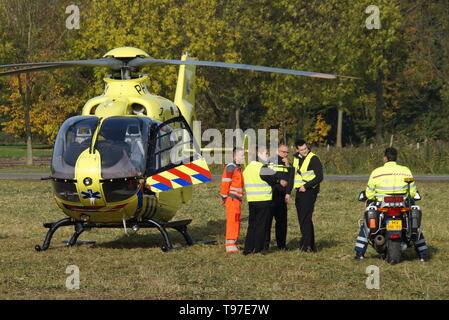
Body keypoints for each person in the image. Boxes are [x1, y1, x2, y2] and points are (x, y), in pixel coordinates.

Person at [354, 147, 429, 262]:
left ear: (385, 158)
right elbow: (412, 192)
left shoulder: (376, 172)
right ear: (396, 158)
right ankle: (423, 255)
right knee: (414, 227)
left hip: (382, 205)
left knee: (366, 225)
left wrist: (373, 198)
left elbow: (369, 193)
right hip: (402, 205)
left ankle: (359, 254)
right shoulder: (406, 170)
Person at [242, 146, 288, 255]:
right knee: (261, 225)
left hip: (251, 200)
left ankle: (247, 249)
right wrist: (279, 180)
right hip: (263, 200)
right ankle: (258, 249)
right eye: (265, 154)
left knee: (252, 225)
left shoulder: (248, 168)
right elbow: (273, 177)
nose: (267, 156)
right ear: (259, 154)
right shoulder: (261, 167)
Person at [292, 139, 323, 253]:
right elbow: (294, 173)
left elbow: (319, 177)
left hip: (309, 191)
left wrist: (306, 186)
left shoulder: (313, 158)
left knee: (305, 218)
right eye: (301, 150)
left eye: (305, 148)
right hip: (299, 191)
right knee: (303, 218)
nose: (304, 151)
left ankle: (306, 245)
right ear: (297, 150)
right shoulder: (296, 158)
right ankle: (310, 244)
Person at [264, 144, 294, 250]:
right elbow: (266, 176)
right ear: (277, 151)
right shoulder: (270, 161)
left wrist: (288, 166)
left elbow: (291, 179)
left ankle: (281, 245)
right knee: (267, 221)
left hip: (282, 196)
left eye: (287, 152)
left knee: (282, 222)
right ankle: (265, 245)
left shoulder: (287, 164)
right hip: (270, 195)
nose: (285, 154)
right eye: (283, 152)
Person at [220, 147, 245, 253]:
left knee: (236, 220)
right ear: (235, 156)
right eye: (242, 155)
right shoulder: (231, 167)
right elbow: (225, 182)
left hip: (236, 199)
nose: (244, 157)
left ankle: (233, 242)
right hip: (232, 199)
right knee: (232, 221)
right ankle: (230, 244)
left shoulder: (237, 168)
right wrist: (223, 197)